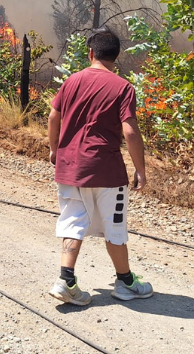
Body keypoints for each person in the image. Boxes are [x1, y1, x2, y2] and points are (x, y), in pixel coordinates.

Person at [47, 28, 152, 306]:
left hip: (70, 167)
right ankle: (125, 283)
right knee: (114, 226)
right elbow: (130, 131)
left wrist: (55, 149)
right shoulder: (123, 87)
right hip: (106, 171)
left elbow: (54, 116)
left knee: (72, 222)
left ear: (91, 53)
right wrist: (140, 169)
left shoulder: (71, 81)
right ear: (116, 56)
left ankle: (65, 281)